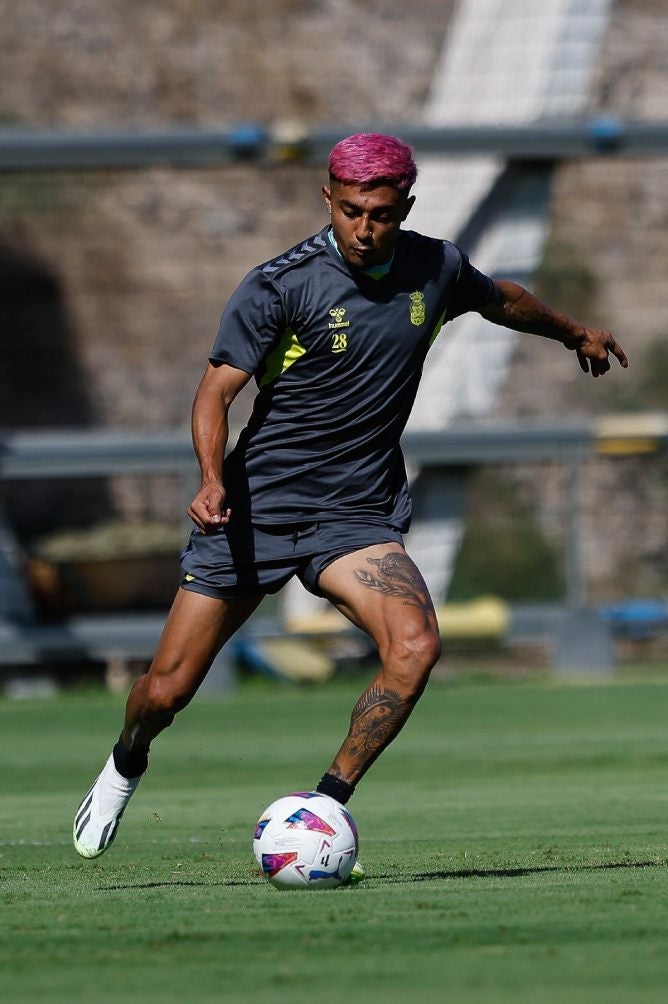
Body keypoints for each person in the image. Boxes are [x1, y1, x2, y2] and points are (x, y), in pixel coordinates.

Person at [73, 133, 628, 862]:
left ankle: (322, 807)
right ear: (327, 199)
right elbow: (215, 395)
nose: (367, 229)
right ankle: (126, 760)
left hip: (355, 516)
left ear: (407, 207)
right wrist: (210, 479)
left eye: (384, 214)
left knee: (416, 648)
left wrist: (572, 332)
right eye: (353, 211)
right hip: (254, 511)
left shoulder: (436, 267)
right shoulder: (280, 285)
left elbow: (502, 301)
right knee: (166, 692)